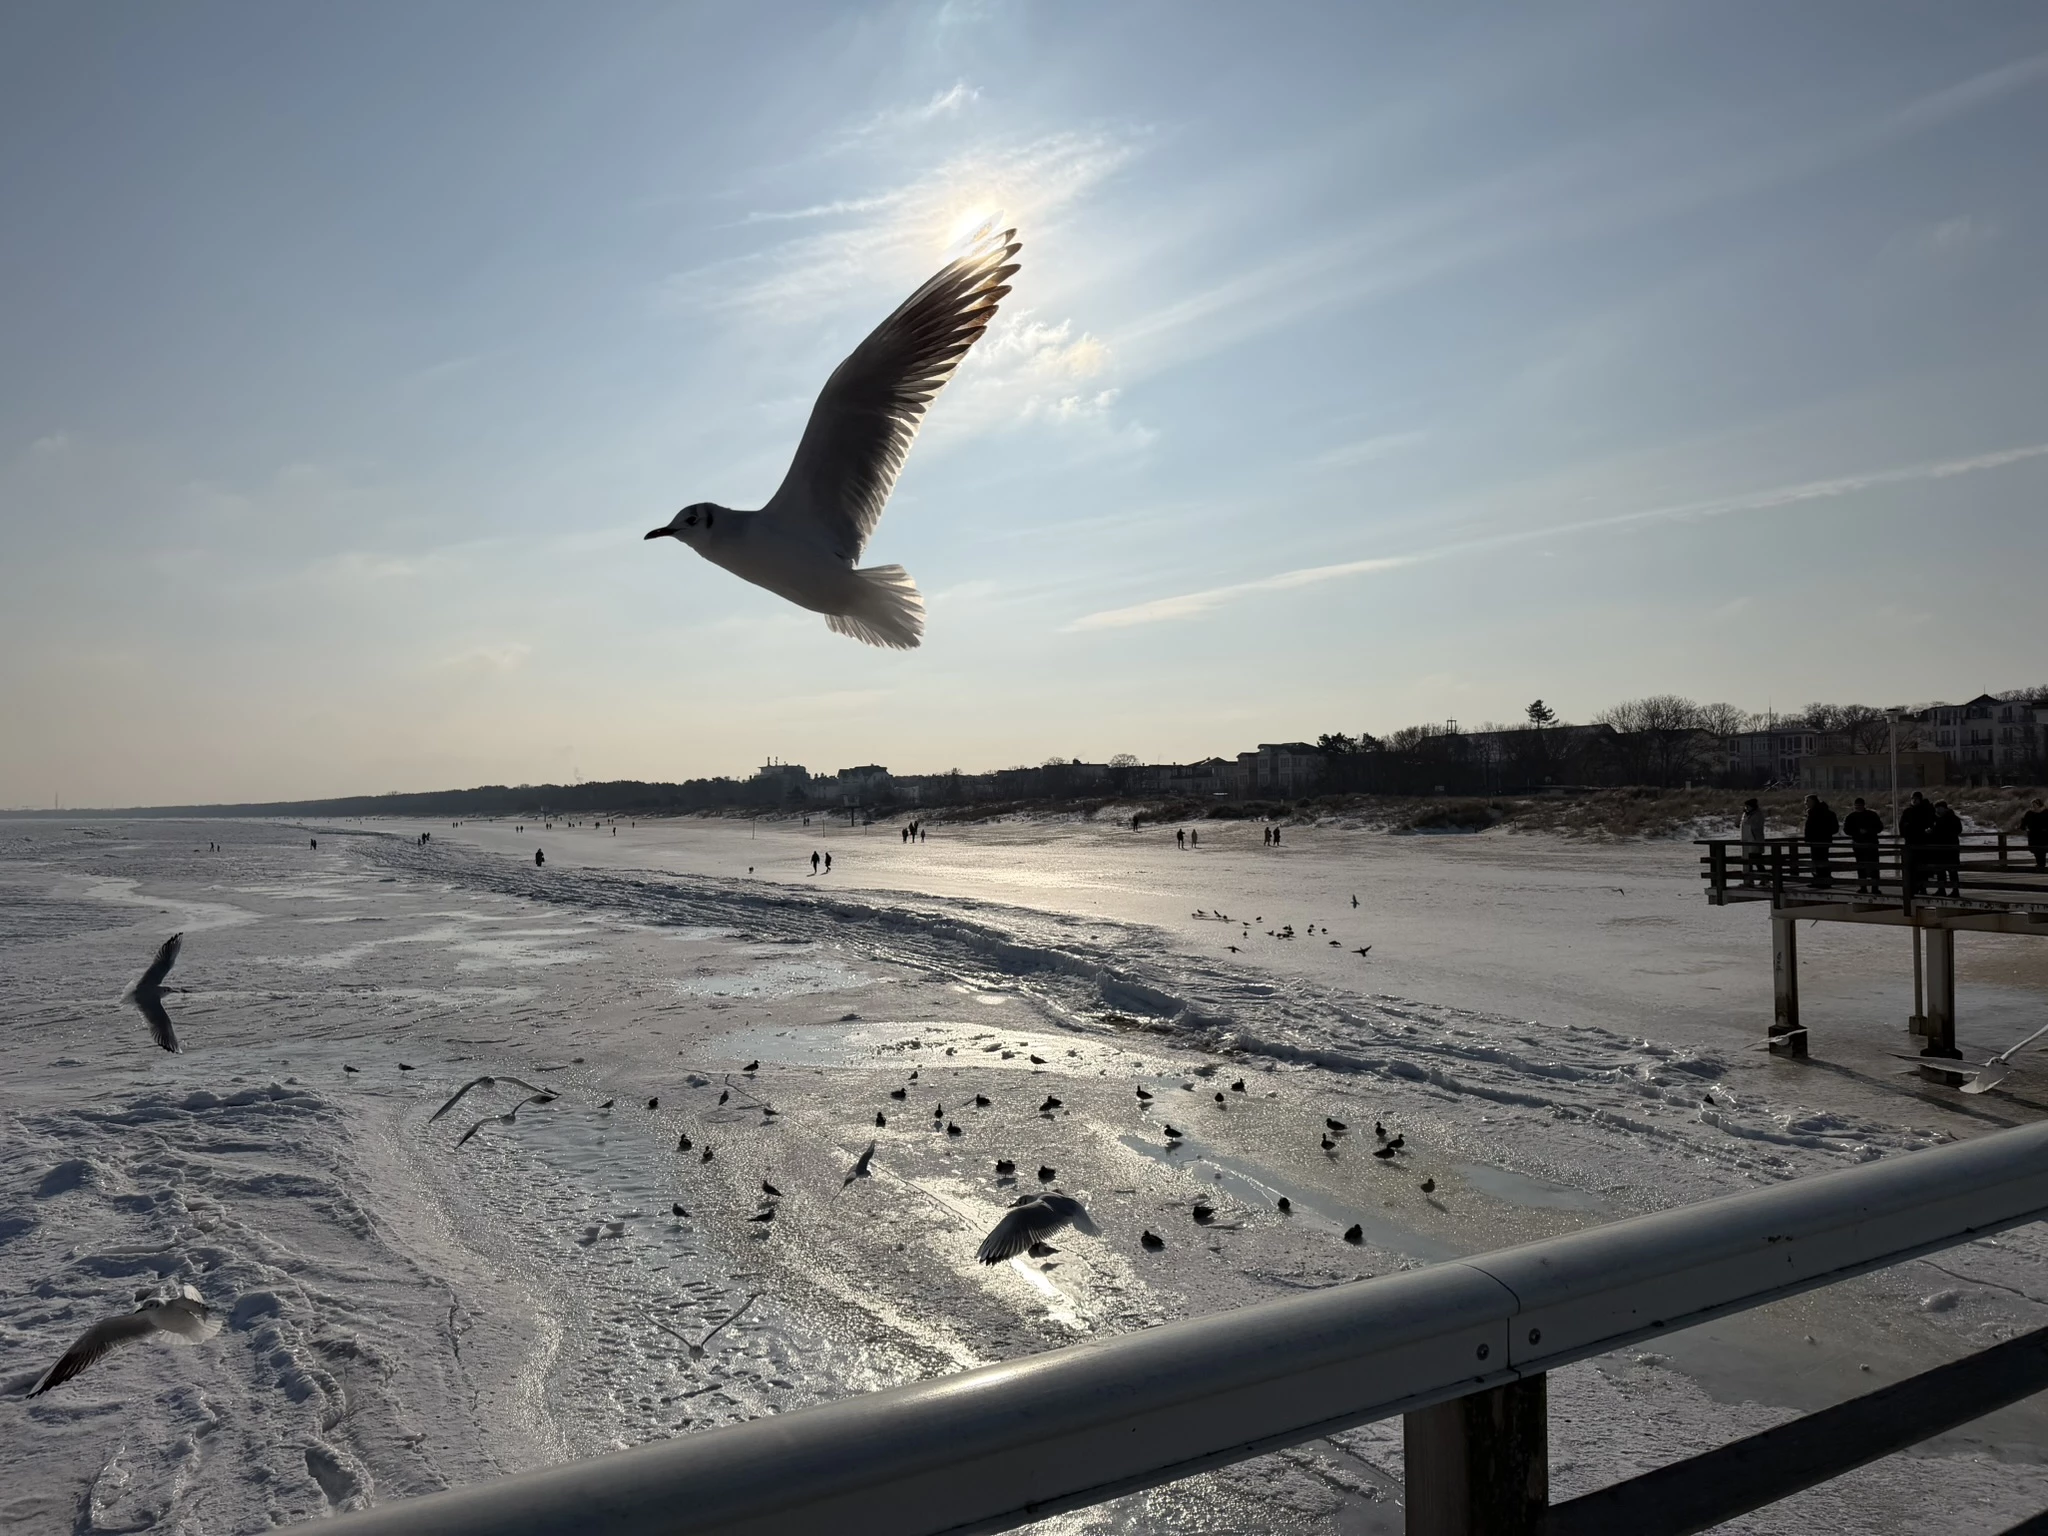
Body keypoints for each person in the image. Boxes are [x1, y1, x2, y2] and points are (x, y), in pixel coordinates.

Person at [1842, 797, 1884, 894]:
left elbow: (1879, 827)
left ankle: (1874, 888)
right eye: (1856, 806)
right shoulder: (1851, 817)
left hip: (1870, 845)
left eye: (1859, 805)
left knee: (1873, 867)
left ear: (1863, 805)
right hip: (1859, 845)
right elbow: (1846, 830)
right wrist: (1857, 832)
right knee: (1861, 867)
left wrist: (1868, 831)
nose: (1858, 807)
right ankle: (1863, 887)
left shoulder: (1872, 815)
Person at [1899, 791, 1937, 894]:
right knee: (1911, 867)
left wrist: (1928, 831)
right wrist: (1907, 829)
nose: (1914, 801)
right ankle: (1912, 888)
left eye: (1916, 799)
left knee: (1923, 867)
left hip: (1923, 842)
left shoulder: (1926, 811)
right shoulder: (1907, 812)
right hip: (1911, 843)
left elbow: (1932, 824)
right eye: (1913, 799)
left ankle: (1923, 887)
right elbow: (1902, 827)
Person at [1801, 794, 1838, 888]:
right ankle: (1823, 880)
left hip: (1819, 841)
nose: (1805, 803)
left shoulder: (1817, 813)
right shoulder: (1824, 812)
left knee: (1819, 861)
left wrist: (1818, 834)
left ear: (1813, 801)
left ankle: (1822, 881)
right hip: (1819, 841)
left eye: (1807, 801)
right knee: (1820, 860)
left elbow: (1833, 828)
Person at [1931, 800, 1963, 898]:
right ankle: (1947, 889)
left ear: (1944, 808)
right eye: (1936, 809)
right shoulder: (1952, 819)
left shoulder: (1946, 819)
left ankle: (1949, 890)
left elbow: (1940, 832)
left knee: (1948, 871)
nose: (1937, 810)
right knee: (1945, 871)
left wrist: (1934, 831)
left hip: (1947, 849)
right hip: (1947, 849)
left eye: (1939, 808)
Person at [1737, 798, 1767, 885]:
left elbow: (1756, 827)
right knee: (1748, 861)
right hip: (1747, 841)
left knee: (1757, 861)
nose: (1746, 808)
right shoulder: (1746, 814)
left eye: (1748, 806)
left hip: (1755, 840)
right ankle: (1749, 880)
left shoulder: (1757, 815)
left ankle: (1764, 879)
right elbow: (1742, 824)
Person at [2019, 798, 2048, 872]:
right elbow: (2023, 824)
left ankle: (2041, 866)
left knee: (2042, 850)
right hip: (2033, 835)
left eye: (2035, 804)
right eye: (2033, 804)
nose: (2034, 806)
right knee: (2036, 851)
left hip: (2044, 835)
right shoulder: (2029, 813)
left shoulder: (2046, 812)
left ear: (2039, 804)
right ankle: (2040, 866)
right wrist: (2024, 827)